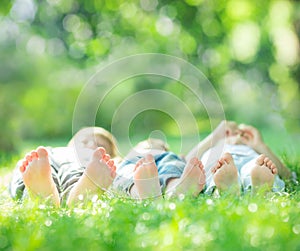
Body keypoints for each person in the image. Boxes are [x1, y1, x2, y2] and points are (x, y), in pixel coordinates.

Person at [9, 127, 119, 207]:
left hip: (85, 166)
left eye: (100, 145)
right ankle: (38, 190)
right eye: (84, 141)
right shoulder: (57, 151)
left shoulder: (96, 162)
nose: (91, 145)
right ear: (71, 144)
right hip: (48, 160)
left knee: (76, 170)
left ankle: (81, 192)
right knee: (32, 167)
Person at [185, 120, 293, 195]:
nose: (236, 136)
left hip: (250, 159)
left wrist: (260, 145)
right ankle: (222, 189)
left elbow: (287, 175)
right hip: (219, 161)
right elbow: (187, 161)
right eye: (228, 134)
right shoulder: (214, 146)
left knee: (256, 168)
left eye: (242, 135)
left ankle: (260, 189)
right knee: (215, 169)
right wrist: (216, 136)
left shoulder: (253, 148)